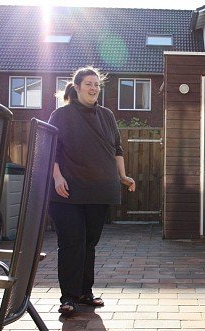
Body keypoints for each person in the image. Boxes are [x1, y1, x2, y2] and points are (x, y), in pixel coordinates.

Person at [48, 66, 135, 315]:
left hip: (99, 191)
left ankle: (85, 293)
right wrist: (57, 177)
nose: (94, 88)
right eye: (88, 83)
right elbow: (51, 150)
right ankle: (68, 297)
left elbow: (116, 149)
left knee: (89, 244)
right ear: (76, 87)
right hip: (68, 192)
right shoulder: (61, 115)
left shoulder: (106, 115)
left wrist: (122, 176)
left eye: (97, 84)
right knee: (72, 242)